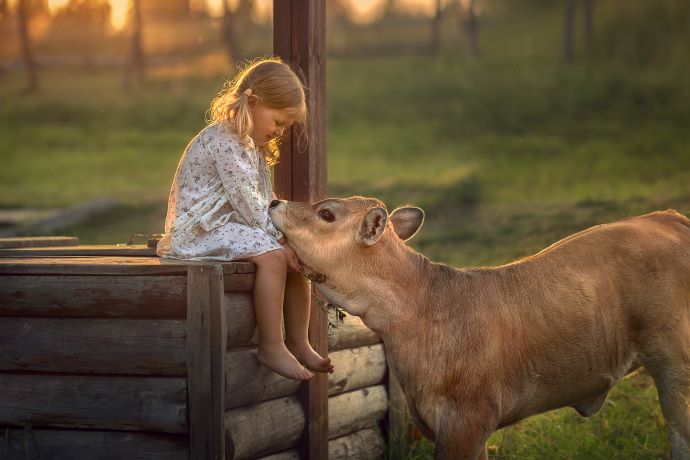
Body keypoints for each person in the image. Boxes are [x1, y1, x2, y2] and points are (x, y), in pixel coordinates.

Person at [157, 57, 333, 380]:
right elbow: (246, 202)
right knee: (276, 257)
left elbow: (264, 201)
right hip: (199, 231)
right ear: (253, 102)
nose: (279, 132)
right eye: (278, 122)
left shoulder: (248, 145)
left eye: (284, 127)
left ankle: (299, 340)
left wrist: (288, 236)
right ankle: (271, 346)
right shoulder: (224, 141)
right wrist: (278, 242)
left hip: (227, 226)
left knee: (293, 253)